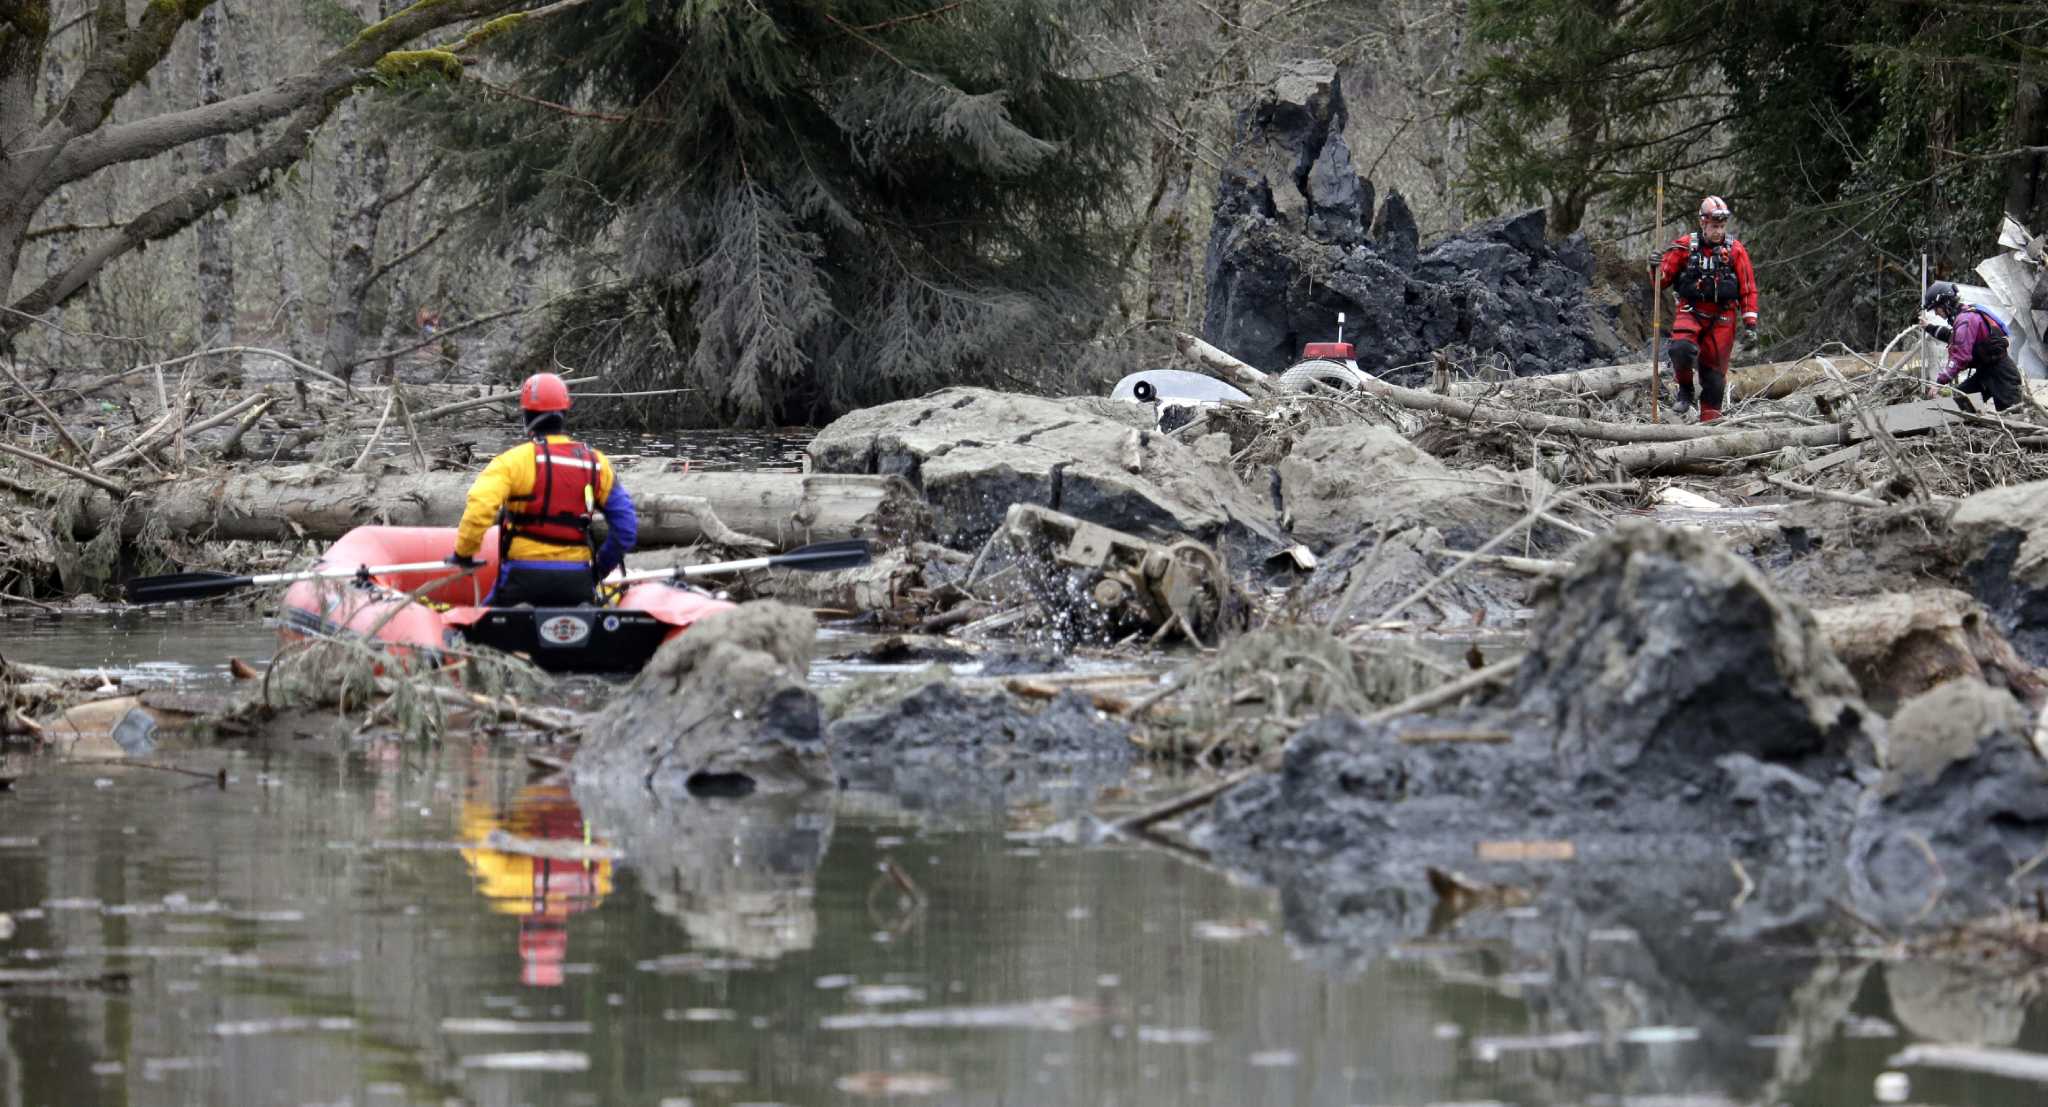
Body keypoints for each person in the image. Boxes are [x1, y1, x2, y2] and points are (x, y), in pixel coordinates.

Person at [448, 372, 637, 605]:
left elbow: (479, 509)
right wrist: (598, 571)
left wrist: (463, 554)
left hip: (522, 579)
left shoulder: (512, 462)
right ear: (564, 414)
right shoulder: (597, 463)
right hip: (576, 583)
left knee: (476, 625)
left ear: (526, 415)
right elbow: (626, 528)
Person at [1656, 195, 1760, 423]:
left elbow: (1748, 288)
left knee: (1714, 375)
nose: (1718, 231)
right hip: (1691, 309)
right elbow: (1661, 281)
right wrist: (1654, 266)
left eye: (1722, 226)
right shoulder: (1684, 247)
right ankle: (1685, 391)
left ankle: (1710, 425)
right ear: (1703, 223)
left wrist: (1750, 322)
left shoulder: (1735, 251)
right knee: (1681, 348)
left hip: (1723, 316)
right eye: (1714, 226)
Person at [1922, 280, 2024, 411]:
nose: (1936, 313)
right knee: (1960, 403)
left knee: (2013, 418)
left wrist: (1939, 383)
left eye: (1936, 309)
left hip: (2002, 375)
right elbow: (1954, 338)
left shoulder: (1966, 320)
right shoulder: (1966, 314)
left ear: (1946, 304)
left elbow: (1960, 356)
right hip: (1986, 372)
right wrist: (1928, 327)